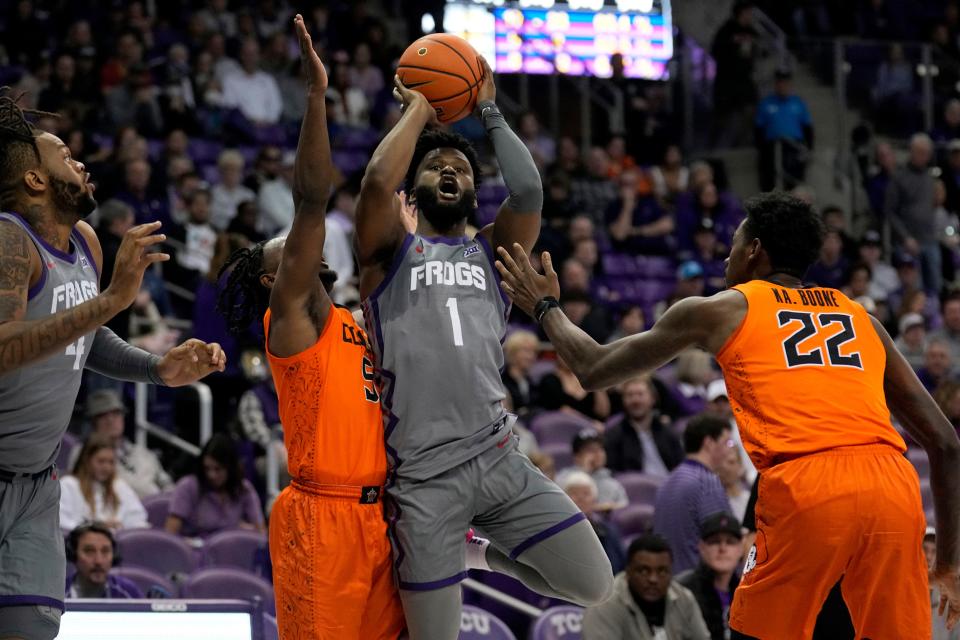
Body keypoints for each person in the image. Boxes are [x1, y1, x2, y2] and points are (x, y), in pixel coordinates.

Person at [495, 190, 960, 636]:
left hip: (808, 483)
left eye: (734, 243)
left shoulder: (724, 308)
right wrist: (951, 563)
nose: (726, 257)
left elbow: (593, 368)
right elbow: (945, 442)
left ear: (755, 249)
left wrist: (545, 307)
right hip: (893, 488)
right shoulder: (863, 319)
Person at [354, 60, 612, 638]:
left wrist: (489, 108)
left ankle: (483, 556)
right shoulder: (387, 254)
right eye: (435, 166)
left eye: (462, 169)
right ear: (413, 191)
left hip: (498, 457)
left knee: (593, 583)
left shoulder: (493, 257)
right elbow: (374, 184)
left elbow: (528, 189)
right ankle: (468, 551)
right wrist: (420, 111)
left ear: (473, 193)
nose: (450, 171)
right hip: (422, 478)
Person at [0, 88, 224, 639]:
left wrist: (157, 369)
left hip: (35, 484)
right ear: (35, 180)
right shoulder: (9, 238)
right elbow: (4, 347)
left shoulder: (86, 242)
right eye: (63, 156)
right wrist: (110, 301)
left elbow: (84, 331)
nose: (79, 161)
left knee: (31, 629)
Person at [215, 16, 405, 639]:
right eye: (289, 250)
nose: (309, 249)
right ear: (275, 279)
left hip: (383, 523)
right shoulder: (291, 320)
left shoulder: (357, 320)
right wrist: (319, 98)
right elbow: (311, 202)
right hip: (321, 521)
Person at [582, 534, 711, 640]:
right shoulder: (604, 605)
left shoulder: (684, 599)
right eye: (643, 571)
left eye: (662, 571)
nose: (653, 579)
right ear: (628, 571)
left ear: (671, 572)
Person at [649, 415, 733, 574]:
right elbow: (723, 540)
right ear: (709, 443)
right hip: (699, 585)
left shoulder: (667, 481)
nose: (730, 451)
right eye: (727, 443)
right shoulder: (707, 482)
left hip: (671, 582)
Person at [73, 389, 171, 499]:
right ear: (93, 422)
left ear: (123, 417)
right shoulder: (83, 452)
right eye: (103, 415)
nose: (110, 420)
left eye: (116, 413)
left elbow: (167, 484)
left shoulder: (143, 453)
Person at [165, 432, 264, 538]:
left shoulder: (244, 489)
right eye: (207, 468)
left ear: (230, 468)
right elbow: (170, 534)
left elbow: (261, 533)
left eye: (218, 469)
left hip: (230, 550)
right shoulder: (187, 487)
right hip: (193, 550)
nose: (211, 475)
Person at [885, 133, 940, 294]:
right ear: (911, 151)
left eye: (927, 153)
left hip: (930, 238)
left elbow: (931, 206)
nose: (924, 156)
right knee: (915, 288)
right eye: (920, 152)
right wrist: (905, 237)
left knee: (935, 284)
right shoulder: (899, 177)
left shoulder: (930, 177)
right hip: (908, 241)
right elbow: (890, 211)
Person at [59, 433, 148, 532]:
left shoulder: (119, 486)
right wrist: (98, 527)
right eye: (101, 461)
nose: (107, 468)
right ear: (87, 460)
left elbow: (138, 521)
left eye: (111, 462)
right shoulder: (68, 485)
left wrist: (122, 528)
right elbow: (61, 522)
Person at [676, 512, 743, 640]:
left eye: (730, 542)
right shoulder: (682, 590)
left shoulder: (746, 592)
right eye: (714, 542)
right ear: (701, 547)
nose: (722, 548)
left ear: (740, 549)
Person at [755, 69, 813, 191]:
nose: (782, 86)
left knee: (794, 182)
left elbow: (808, 127)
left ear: (790, 84)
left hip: (794, 147)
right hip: (772, 147)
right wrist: (762, 149)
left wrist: (809, 148)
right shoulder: (766, 103)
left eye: (785, 83)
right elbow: (758, 129)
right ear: (775, 84)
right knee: (770, 182)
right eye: (779, 82)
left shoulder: (798, 102)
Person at [561, 470, 627, 574]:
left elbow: (622, 566)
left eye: (586, 493)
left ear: (594, 500)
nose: (580, 498)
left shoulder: (609, 531)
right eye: (574, 493)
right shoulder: (557, 531)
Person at [64, 522, 142, 599]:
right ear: (73, 554)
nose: (99, 561)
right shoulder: (59, 593)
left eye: (105, 551)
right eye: (89, 551)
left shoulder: (128, 593)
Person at [556, 429, 628, 512]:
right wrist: (584, 471)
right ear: (577, 457)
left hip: (602, 524)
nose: (597, 453)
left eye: (600, 449)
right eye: (590, 450)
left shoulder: (611, 481)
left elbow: (624, 508)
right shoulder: (564, 478)